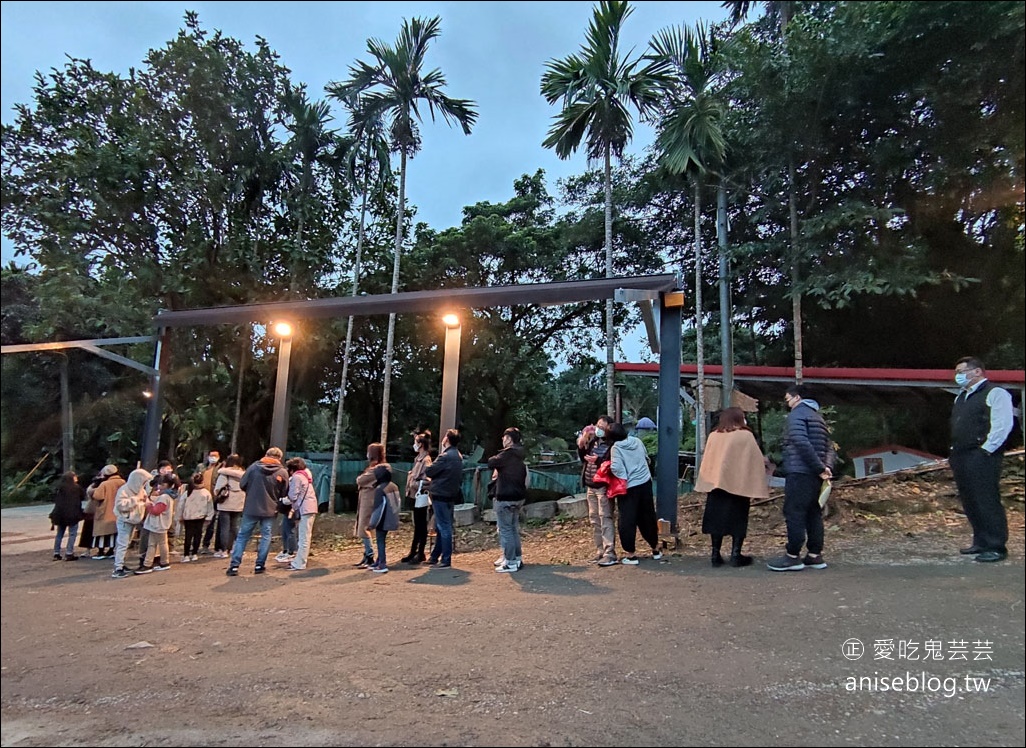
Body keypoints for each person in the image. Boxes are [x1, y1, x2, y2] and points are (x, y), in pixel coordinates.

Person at [949, 356, 1014, 563]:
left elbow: (1002, 425)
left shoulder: (995, 393)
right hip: (961, 454)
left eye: (962, 371)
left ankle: (996, 545)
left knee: (986, 499)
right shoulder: (961, 397)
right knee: (970, 500)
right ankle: (981, 541)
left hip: (982, 454)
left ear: (977, 371)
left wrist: (986, 450)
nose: (958, 376)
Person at [767, 385, 836, 572]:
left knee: (794, 512)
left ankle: (792, 556)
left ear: (797, 398)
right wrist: (826, 468)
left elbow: (800, 441)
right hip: (815, 476)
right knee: (813, 512)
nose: (787, 403)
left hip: (800, 472)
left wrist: (819, 467)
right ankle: (815, 555)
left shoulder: (797, 415)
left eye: (788, 399)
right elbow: (829, 447)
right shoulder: (818, 418)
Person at [695, 407, 769, 567]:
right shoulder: (745, 436)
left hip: (716, 485)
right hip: (739, 486)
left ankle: (715, 554)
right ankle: (736, 554)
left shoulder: (714, 436)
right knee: (738, 520)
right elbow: (755, 459)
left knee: (716, 520)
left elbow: (708, 459)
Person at [226, 446, 288, 576]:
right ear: (280, 458)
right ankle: (260, 565)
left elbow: (242, 484)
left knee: (242, 536)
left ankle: (234, 566)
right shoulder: (282, 472)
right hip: (270, 509)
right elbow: (284, 491)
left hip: (251, 507)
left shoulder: (253, 468)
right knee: (266, 536)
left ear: (266, 454)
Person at [608, 422, 662, 565]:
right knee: (648, 516)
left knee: (627, 520)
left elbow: (616, 468)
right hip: (645, 483)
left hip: (629, 487)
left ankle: (631, 554)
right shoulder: (637, 441)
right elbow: (646, 457)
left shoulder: (616, 448)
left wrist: (624, 477)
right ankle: (655, 548)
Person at [578, 415, 617, 566]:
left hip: (603, 487)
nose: (598, 429)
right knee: (594, 519)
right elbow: (583, 458)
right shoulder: (593, 441)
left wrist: (598, 461)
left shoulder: (613, 445)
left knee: (605, 517)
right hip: (590, 485)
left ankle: (610, 552)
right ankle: (600, 550)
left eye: (601, 427)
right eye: (597, 426)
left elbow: (611, 465)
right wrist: (581, 446)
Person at [488, 427, 528, 573]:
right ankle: (517, 558)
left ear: (509, 439)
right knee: (513, 529)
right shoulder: (520, 454)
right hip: (518, 497)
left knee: (505, 530)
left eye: (504, 437)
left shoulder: (507, 455)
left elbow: (491, 462)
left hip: (505, 496)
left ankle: (510, 562)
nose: (502, 440)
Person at [424, 428, 463, 569]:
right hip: (450, 494)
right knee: (442, 526)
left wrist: (428, 462)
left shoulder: (445, 456)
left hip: (440, 494)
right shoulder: (458, 456)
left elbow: (429, 471)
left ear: (447, 439)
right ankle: (435, 556)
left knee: (443, 526)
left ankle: (445, 558)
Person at [111, 468, 151, 578]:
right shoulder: (124, 490)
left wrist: (146, 503)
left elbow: (144, 500)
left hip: (134, 520)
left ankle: (121, 564)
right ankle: (118, 567)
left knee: (126, 543)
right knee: (122, 544)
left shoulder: (140, 490)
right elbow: (121, 505)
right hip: (125, 520)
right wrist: (136, 500)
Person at [401, 430, 433, 564]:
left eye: (415, 442)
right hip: (415, 495)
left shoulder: (425, 460)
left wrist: (415, 483)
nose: (414, 445)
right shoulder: (419, 459)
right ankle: (414, 551)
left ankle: (419, 552)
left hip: (419, 496)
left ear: (420, 444)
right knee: (418, 525)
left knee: (421, 525)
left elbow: (428, 480)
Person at [354, 443, 388, 568]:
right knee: (362, 526)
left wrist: (362, 479)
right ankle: (367, 554)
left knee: (364, 527)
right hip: (365, 498)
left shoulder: (377, 469)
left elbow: (360, 480)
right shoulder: (374, 468)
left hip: (370, 500)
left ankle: (369, 554)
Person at [135, 473, 175, 574]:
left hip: (158, 525)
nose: (158, 486)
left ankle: (151, 564)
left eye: (161, 484)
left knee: (154, 544)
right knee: (160, 543)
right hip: (162, 524)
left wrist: (148, 505)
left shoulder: (164, 497)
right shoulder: (169, 496)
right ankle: (159, 562)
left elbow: (156, 511)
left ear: (166, 485)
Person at [285, 457, 319, 571]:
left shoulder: (297, 477)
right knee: (305, 536)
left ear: (291, 469)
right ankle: (298, 560)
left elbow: (292, 496)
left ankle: (300, 563)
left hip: (305, 509)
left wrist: (282, 500)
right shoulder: (306, 476)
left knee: (304, 537)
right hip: (310, 507)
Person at [367, 464, 401, 573]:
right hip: (392, 518)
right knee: (381, 540)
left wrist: (372, 524)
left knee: (380, 541)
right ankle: (379, 560)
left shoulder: (380, 489)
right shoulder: (393, 486)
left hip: (382, 520)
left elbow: (378, 509)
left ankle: (382, 563)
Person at [212, 454, 246, 559]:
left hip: (225, 503)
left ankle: (223, 550)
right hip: (239, 502)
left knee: (224, 527)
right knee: (234, 526)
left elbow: (218, 489)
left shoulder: (224, 474)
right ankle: (235, 548)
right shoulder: (244, 474)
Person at [175, 472, 215, 562]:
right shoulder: (206, 493)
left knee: (188, 536)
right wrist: (209, 517)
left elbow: (181, 505)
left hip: (188, 517)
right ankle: (194, 553)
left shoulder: (187, 493)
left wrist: (179, 516)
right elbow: (210, 506)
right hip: (200, 517)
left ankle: (186, 555)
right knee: (198, 535)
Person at [88, 464, 123, 559]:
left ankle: (101, 551)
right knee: (113, 533)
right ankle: (111, 551)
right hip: (118, 511)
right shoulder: (122, 482)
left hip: (105, 511)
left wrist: (92, 489)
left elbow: (97, 496)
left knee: (101, 533)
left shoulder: (105, 484)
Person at [49, 471, 85, 561]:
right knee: (72, 534)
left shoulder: (60, 488)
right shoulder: (76, 488)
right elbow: (83, 496)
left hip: (60, 514)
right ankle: (69, 553)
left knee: (59, 534)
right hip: (73, 514)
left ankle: (56, 553)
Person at [198, 450, 223, 555]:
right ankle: (195, 545)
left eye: (215, 456)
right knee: (198, 522)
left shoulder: (220, 468)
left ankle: (206, 545)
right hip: (201, 497)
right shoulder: (201, 467)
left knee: (211, 523)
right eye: (211, 456)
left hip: (214, 499)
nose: (213, 458)